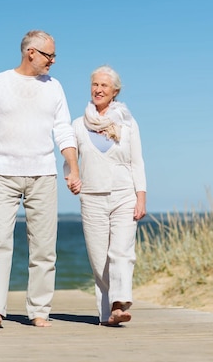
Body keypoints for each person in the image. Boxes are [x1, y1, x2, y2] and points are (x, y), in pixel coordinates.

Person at [0, 30, 81, 329]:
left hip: (43, 174)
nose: (53, 61)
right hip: (4, 173)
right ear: (30, 52)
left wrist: (73, 167)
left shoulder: (54, 87)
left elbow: (64, 131)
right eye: (49, 55)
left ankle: (39, 310)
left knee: (44, 247)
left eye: (54, 56)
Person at [71, 65, 146, 326]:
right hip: (92, 197)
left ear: (114, 91)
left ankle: (119, 303)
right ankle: (106, 314)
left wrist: (141, 196)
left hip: (124, 195)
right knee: (99, 259)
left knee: (122, 252)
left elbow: (137, 161)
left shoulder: (127, 121)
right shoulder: (79, 125)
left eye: (104, 85)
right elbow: (70, 160)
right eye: (95, 85)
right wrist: (72, 176)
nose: (98, 89)